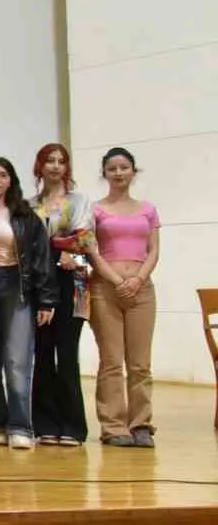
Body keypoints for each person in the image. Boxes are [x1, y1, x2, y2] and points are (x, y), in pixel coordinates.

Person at [0, 156, 56, 450]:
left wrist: (46, 300)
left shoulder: (24, 216)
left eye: (3, 174)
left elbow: (41, 258)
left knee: (17, 361)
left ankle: (20, 425)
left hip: (17, 289)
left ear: (11, 181)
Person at [85, 147, 159, 448]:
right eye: (112, 168)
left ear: (133, 171)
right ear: (104, 173)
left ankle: (141, 424)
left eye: (124, 167)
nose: (118, 173)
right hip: (106, 289)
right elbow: (91, 251)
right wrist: (118, 281)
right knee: (112, 361)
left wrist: (138, 279)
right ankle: (114, 426)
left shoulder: (148, 209)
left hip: (142, 289)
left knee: (140, 364)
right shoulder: (95, 210)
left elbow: (153, 250)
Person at [31, 143, 93, 448]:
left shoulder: (79, 201)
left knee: (67, 354)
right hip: (39, 284)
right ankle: (44, 423)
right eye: (49, 161)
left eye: (61, 161)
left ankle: (73, 426)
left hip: (74, 283)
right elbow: (33, 245)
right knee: (42, 353)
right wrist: (59, 243)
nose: (55, 166)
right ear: (40, 166)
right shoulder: (30, 205)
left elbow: (84, 240)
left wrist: (57, 244)